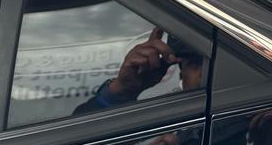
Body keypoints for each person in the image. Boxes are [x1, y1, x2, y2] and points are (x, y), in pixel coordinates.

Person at [73, 27, 204, 114]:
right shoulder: (168, 129)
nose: (205, 74)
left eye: (209, 64)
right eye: (195, 64)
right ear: (182, 76)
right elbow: (79, 139)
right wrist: (121, 92)